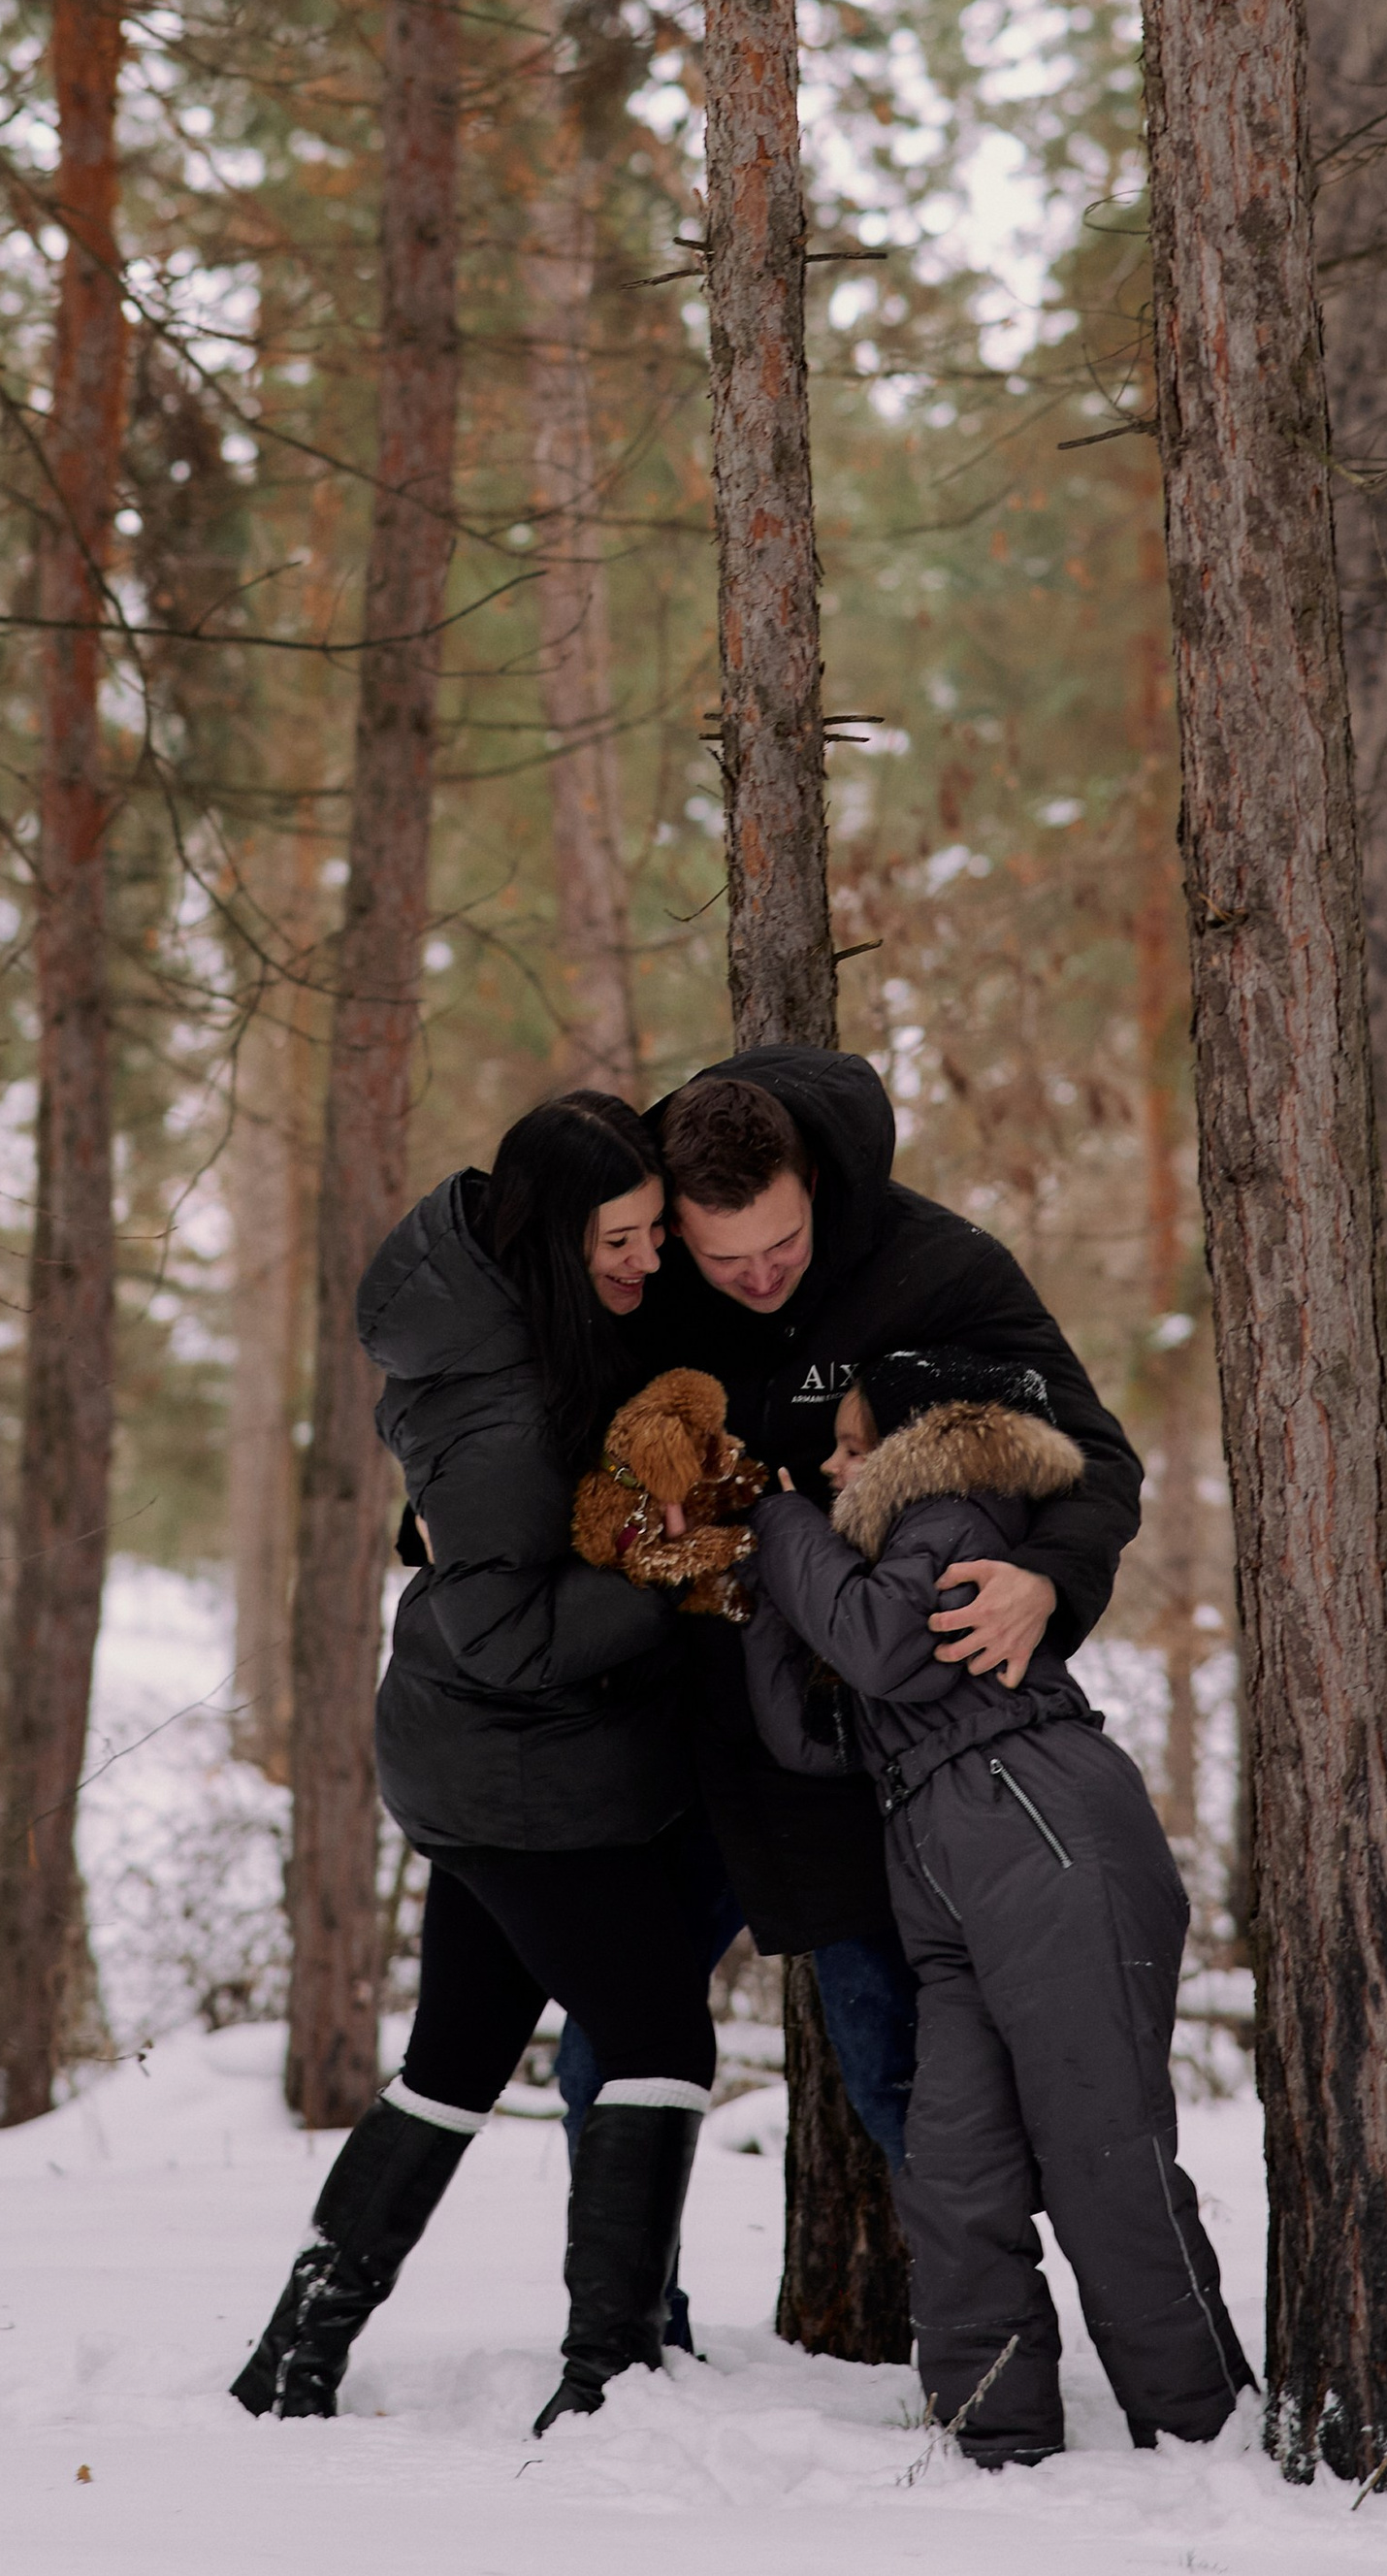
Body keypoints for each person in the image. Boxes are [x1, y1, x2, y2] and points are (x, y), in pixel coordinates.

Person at [233, 1092, 720, 2436]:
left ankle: (292, 2357)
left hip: (489, 1758)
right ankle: (608, 2377)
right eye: (621, 1239)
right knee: (663, 2032)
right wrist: (669, 1571)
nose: (647, 1261)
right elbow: (507, 1629)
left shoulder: (527, 1330)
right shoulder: (505, 1393)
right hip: (515, 1764)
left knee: (457, 2050)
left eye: (653, 1234)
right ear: (555, 1239)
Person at [582, 1048, 1143, 2164]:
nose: (756, 1273)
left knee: (897, 2058)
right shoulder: (642, 1273)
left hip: (855, 1721)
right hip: (680, 1717)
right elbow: (537, 1431)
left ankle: (985, 2316)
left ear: (816, 1186)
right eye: (722, 1252)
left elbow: (1092, 1454)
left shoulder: (939, 1264)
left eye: (780, 1244)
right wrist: (433, 1523)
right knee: (614, 2047)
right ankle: (631, 2333)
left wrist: (1053, 1578)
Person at [747, 1346, 1252, 2467]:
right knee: (952, 2171)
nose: (831, 1467)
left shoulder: (953, 1510)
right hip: (942, 1866)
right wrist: (766, 1591)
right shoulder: (880, 1553)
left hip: (1044, 1829)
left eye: (847, 1443)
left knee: (1100, 2153)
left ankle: (1202, 2433)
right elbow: (805, 1735)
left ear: (911, 1441)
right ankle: (996, 2446)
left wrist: (783, 1533)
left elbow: (883, 1645)